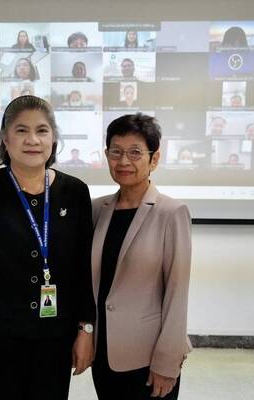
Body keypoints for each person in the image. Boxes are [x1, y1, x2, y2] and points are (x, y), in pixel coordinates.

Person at [0, 95, 95, 400]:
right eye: (21, 130)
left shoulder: (75, 192)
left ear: (53, 138)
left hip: (54, 338)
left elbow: (83, 270)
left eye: (42, 130)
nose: (33, 140)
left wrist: (85, 331)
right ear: (5, 138)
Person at [91, 113, 192, 400]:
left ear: (154, 159)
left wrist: (167, 361)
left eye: (135, 152)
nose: (124, 161)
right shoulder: (96, 210)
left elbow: (177, 292)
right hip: (103, 352)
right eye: (116, 152)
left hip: (149, 358)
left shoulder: (171, 213)